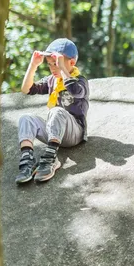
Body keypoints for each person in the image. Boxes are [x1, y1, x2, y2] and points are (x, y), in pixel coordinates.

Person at [15, 38, 89, 184]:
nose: (53, 69)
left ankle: (50, 160)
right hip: (55, 132)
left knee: (56, 111)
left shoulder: (79, 80)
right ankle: (27, 160)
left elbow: (76, 91)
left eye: (56, 64)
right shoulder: (52, 80)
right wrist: (33, 65)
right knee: (26, 118)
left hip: (74, 133)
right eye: (50, 65)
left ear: (71, 63)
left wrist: (63, 69)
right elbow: (26, 89)